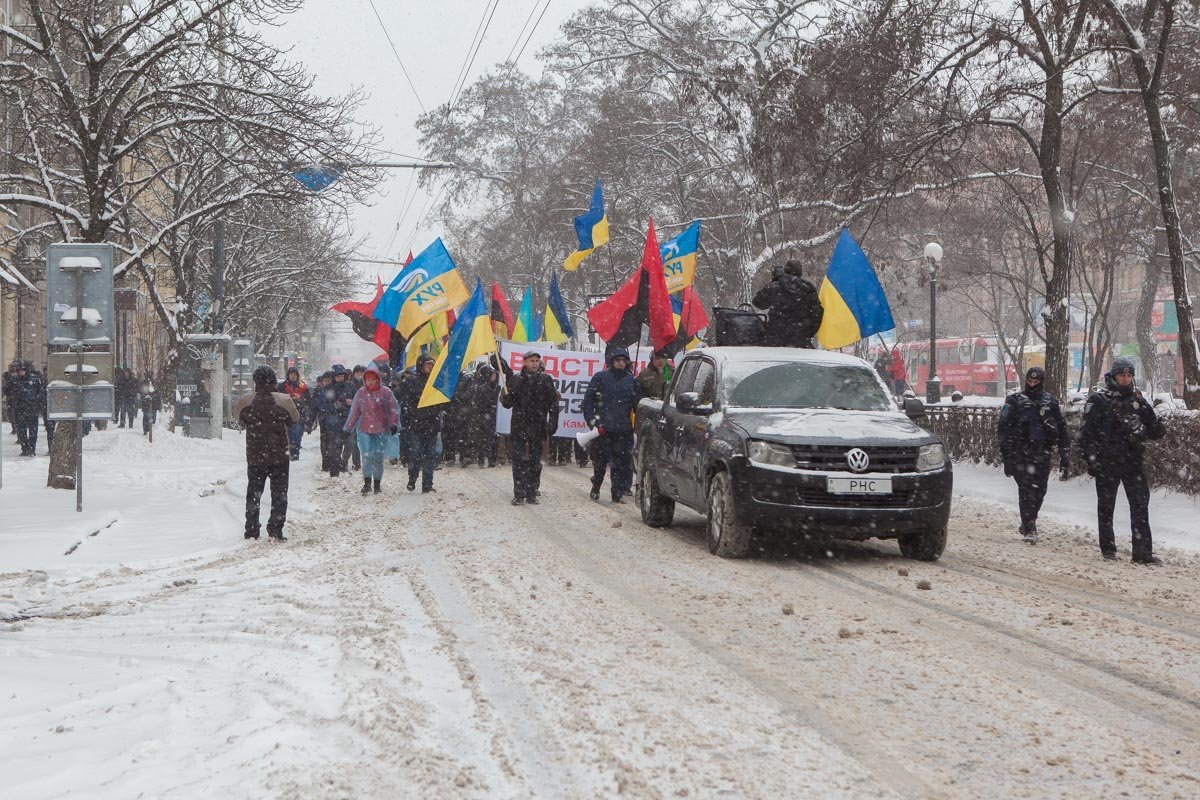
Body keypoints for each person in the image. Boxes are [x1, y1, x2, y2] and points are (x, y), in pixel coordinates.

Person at [1080, 357, 1167, 564]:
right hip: (1107, 462)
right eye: (1122, 375)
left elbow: (1155, 429)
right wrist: (1092, 460)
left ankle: (1142, 553)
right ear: (1113, 376)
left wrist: (1144, 429)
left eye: (1129, 375)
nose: (1126, 379)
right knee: (1106, 507)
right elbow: (1087, 434)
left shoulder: (1137, 400)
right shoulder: (1099, 401)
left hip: (1132, 462)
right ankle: (1108, 549)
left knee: (1140, 506)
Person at [998, 366, 1070, 544]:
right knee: (1026, 491)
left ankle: (1028, 521)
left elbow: (1062, 428)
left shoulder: (1050, 401)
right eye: (1029, 381)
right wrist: (1007, 457)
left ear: (1041, 382)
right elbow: (1003, 429)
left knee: (1040, 490)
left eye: (1035, 381)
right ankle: (1030, 527)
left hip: (1042, 453)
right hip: (1021, 454)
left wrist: (1065, 454)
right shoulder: (1014, 401)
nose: (1032, 384)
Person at [234, 367, 299, 542]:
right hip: (279, 456)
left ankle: (251, 529)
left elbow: (238, 419)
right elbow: (294, 419)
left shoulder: (246, 401)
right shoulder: (284, 400)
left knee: (254, 493)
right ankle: (275, 529)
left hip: (255, 455)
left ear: (255, 381)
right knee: (279, 494)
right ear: (274, 381)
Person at [582, 347, 642, 502]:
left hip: (623, 429)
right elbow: (588, 401)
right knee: (600, 462)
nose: (621, 363)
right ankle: (596, 485)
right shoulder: (600, 378)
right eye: (617, 360)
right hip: (603, 428)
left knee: (620, 463)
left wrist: (638, 424)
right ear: (611, 362)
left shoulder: (632, 381)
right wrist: (592, 422)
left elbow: (638, 406)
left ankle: (617, 492)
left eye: (623, 360)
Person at [499, 351, 559, 505]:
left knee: (535, 462)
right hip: (519, 425)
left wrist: (553, 423)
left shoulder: (545, 379)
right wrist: (506, 398)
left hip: (538, 426)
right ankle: (519, 494)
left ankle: (531, 493)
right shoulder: (516, 380)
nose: (534, 364)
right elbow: (507, 404)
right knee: (518, 461)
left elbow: (553, 403)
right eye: (531, 361)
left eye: (537, 361)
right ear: (524, 362)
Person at [344, 366, 399, 495]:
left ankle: (377, 484)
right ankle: (367, 483)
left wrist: (393, 424)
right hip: (364, 429)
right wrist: (348, 428)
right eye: (368, 379)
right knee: (366, 456)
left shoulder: (386, 392)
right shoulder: (361, 393)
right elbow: (355, 412)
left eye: (373, 379)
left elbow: (393, 409)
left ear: (378, 379)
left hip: (381, 429)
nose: (370, 382)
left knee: (378, 457)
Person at [751, 259, 823, 348]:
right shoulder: (807, 287)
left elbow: (758, 302)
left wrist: (773, 282)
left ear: (785, 271)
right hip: (800, 338)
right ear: (800, 272)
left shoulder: (774, 286)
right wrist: (808, 332)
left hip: (775, 336)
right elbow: (817, 313)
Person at [399, 354, 442, 492]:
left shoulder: (436, 382)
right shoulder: (411, 382)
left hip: (432, 424)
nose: (430, 367)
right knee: (415, 454)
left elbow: (441, 403)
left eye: (432, 364)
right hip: (415, 425)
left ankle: (427, 484)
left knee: (430, 456)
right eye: (428, 364)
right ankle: (412, 478)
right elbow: (405, 403)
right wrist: (410, 420)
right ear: (421, 365)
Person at [314, 365, 355, 477]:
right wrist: (338, 405)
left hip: (348, 422)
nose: (340, 378)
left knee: (350, 444)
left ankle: (343, 463)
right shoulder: (328, 389)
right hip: (333, 423)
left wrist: (352, 403)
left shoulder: (350, 386)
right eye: (338, 376)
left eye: (342, 376)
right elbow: (323, 405)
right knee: (335, 447)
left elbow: (357, 401)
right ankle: (334, 471)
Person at [467, 363, 500, 467]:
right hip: (483, 416)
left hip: (493, 416)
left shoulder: (496, 387)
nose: (494, 375)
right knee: (483, 438)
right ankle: (482, 459)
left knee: (493, 438)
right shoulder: (480, 388)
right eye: (492, 373)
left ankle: (491, 459)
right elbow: (484, 402)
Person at [277, 367, 311, 460]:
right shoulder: (282, 386)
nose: (293, 376)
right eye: (291, 374)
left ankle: (295, 453)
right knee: (286, 434)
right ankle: (286, 453)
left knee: (297, 434)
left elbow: (308, 400)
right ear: (288, 375)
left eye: (295, 374)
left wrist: (299, 400)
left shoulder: (302, 387)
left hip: (298, 414)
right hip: (285, 414)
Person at [12, 361, 44, 456]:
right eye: (19, 371)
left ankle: (32, 449)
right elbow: (10, 392)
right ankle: (25, 449)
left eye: (22, 370)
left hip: (32, 407)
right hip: (20, 408)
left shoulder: (34, 379)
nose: (20, 372)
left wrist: (36, 401)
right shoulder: (15, 380)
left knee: (33, 430)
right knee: (21, 430)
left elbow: (40, 391)